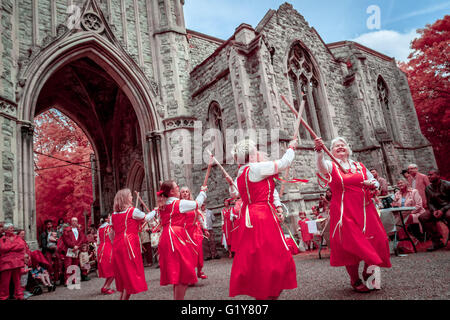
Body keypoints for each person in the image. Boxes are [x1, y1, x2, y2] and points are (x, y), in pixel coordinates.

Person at [315, 137, 391, 293]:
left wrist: (373, 184)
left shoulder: (359, 166)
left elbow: (374, 181)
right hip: (344, 212)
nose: (340, 147)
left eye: (343, 145)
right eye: (336, 146)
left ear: (348, 149)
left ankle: (368, 272)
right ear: (332, 150)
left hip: (365, 209)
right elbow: (321, 168)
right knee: (352, 243)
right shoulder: (331, 165)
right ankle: (355, 279)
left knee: (377, 240)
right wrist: (319, 152)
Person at [229, 138, 298, 300]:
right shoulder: (255, 169)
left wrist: (278, 206)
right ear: (251, 155)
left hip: (250, 215)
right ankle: (268, 293)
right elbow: (284, 163)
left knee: (259, 256)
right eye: (255, 151)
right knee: (272, 256)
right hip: (262, 215)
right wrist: (291, 148)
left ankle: (266, 291)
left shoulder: (241, 171)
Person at [152, 180, 207, 300]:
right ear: (172, 191)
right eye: (177, 187)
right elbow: (197, 203)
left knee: (179, 274)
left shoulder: (163, 204)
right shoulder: (178, 203)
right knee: (183, 274)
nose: (178, 188)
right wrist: (202, 191)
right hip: (175, 236)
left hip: (167, 236)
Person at [110, 188, 155, 300]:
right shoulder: (133, 211)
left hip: (118, 244)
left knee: (125, 274)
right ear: (125, 198)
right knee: (130, 274)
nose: (132, 197)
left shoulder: (113, 215)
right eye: (130, 195)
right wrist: (156, 210)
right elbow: (147, 218)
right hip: (129, 244)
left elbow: (112, 233)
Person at [180, 186, 208, 280]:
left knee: (199, 251)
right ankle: (190, 274)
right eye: (183, 192)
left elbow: (200, 217)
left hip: (196, 232)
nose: (185, 193)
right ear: (180, 194)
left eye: (187, 192)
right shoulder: (179, 206)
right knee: (188, 254)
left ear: (189, 194)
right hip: (184, 233)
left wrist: (205, 229)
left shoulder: (193, 204)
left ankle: (199, 271)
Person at [392, 179, 426, 251]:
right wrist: (395, 201)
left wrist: (410, 212)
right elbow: (393, 206)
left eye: (401, 183)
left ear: (406, 183)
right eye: (398, 183)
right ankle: (409, 240)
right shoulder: (397, 194)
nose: (400, 184)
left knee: (400, 221)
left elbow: (419, 205)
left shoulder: (414, 192)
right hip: (402, 215)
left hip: (415, 213)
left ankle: (407, 242)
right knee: (397, 221)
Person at [421, 169, 450, 251]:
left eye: (431, 175)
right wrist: (434, 211)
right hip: (436, 210)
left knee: (449, 215)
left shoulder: (448, 185)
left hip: (447, 208)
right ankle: (437, 241)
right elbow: (429, 202)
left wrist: (442, 210)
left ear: (438, 175)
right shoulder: (428, 188)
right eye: (428, 175)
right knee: (423, 217)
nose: (429, 176)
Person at [0, 223, 27, 300]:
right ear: (6, 230)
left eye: (12, 228)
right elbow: (3, 248)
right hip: (6, 263)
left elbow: (21, 246)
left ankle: (19, 295)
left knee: (17, 281)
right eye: (10, 228)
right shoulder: (2, 239)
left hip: (16, 262)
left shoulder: (17, 237)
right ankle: (3, 297)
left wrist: (10, 248)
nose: (12, 229)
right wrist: (14, 246)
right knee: (5, 282)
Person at [60, 217, 87, 285]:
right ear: (71, 222)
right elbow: (66, 239)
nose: (75, 222)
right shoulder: (67, 230)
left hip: (76, 249)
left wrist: (78, 246)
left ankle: (74, 279)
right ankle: (67, 280)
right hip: (69, 249)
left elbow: (82, 238)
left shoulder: (79, 230)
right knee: (68, 264)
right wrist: (73, 246)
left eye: (76, 221)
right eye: (73, 221)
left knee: (75, 264)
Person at [97, 215, 115, 294]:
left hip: (101, 248)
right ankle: (106, 287)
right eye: (108, 216)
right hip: (108, 248)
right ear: (106, 219)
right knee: (114, 269)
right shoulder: (110, 227)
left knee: (109, 269)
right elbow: (113, 238)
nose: (110, 217)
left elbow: (98, 241)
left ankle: (105, 286)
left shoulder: (99, 228)